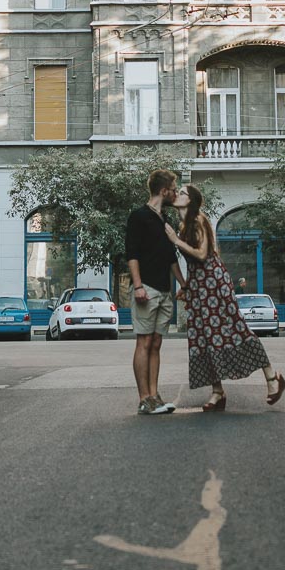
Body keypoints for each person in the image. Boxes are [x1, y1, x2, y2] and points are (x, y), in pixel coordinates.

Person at [165, 185, 285, 412]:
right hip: (200, 286)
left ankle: (272, 378)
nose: (178, 195)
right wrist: (188, 286)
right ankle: (217, 392)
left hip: (215, 284)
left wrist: (175, 240)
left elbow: (202, 255)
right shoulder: (183, 226)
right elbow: (195, 262)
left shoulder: (198, 220)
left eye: (182, 192)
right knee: (204, 336)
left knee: (236, 329)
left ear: (190, 200)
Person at [126, 169, 184, 415]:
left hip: (164, 289)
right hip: (146, 289)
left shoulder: (164, 220)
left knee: (157, 342)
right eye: (174, 188)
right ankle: (143, 399)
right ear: (164, 190)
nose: (175, 192)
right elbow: (132, 254)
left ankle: (155, 395)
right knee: (144, 341)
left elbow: (171, 258)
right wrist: (138, 286)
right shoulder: (138, 216)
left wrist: (183, 283)